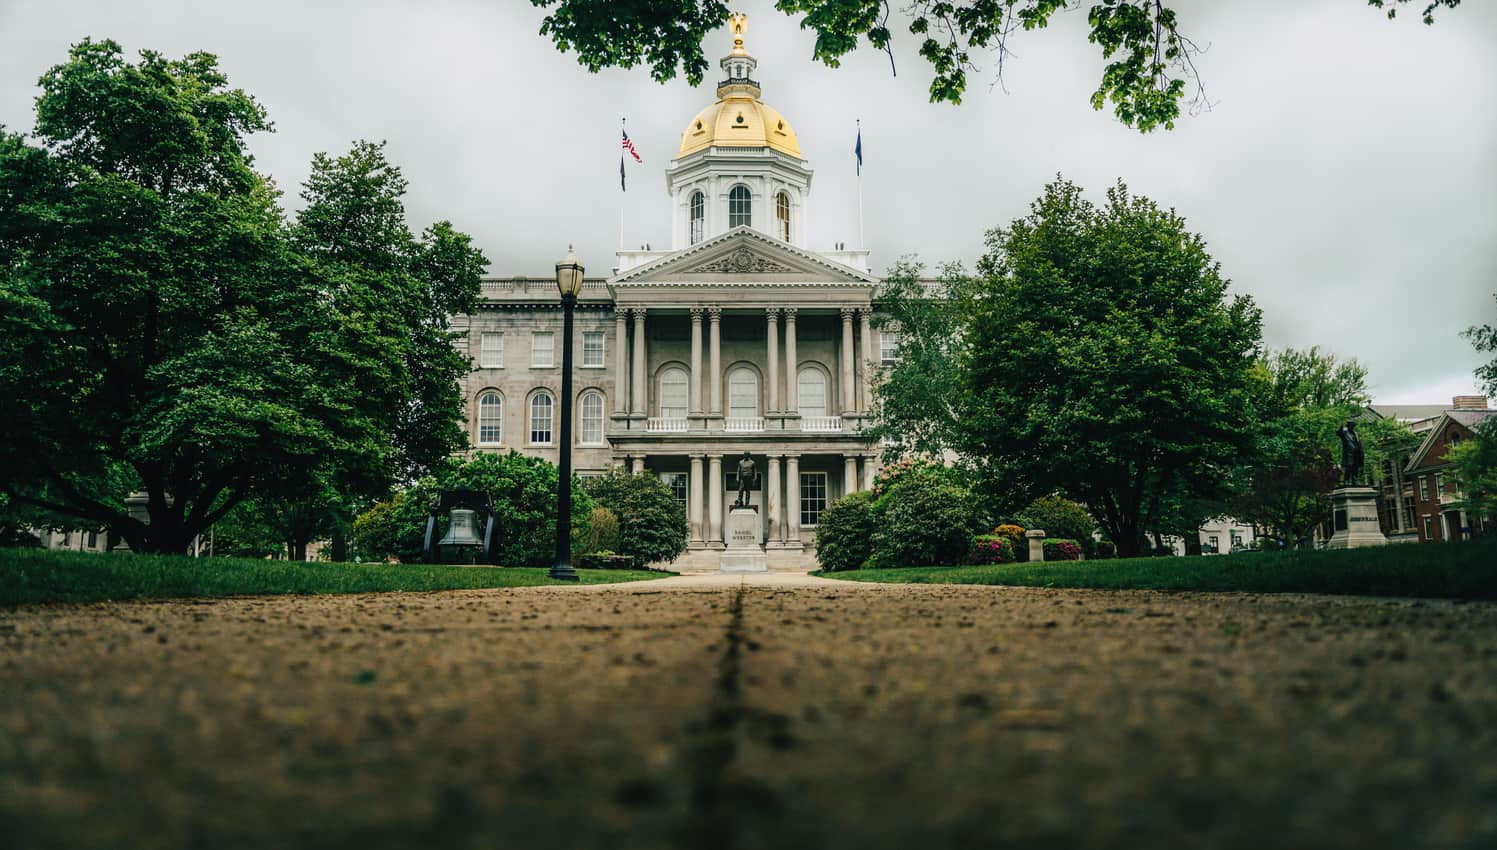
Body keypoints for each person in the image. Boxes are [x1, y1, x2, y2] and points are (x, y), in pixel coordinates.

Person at [1337, 420, 1364, 485]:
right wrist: (1341, 425)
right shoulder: (1345, 433)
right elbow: (1339, 433)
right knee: (1349, 467)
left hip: (1357, 453)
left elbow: (1359, 443)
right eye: (1352, 425)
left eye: (1353, 425)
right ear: (1348, 426)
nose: (1353, 426)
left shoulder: (1356, 434)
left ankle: (1354, 481)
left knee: (1355, 467)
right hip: (1349, 454)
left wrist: (1361, 453)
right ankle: (1346, 480)